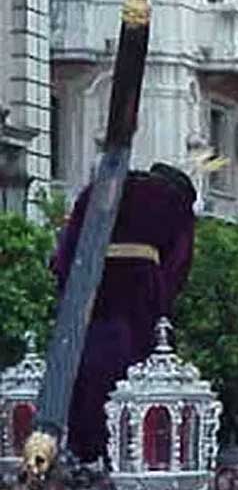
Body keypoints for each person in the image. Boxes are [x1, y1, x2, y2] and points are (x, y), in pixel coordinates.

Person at [51, 163, 197, 463]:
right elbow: (179, 263)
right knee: (147, 368)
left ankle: (86, 448)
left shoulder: (95, 190)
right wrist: (163, 297)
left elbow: (65, 254)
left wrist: (71, 294)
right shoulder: (174, 200)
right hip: (142, 288)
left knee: (89, 367)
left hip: (94, 287)